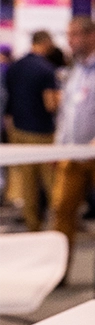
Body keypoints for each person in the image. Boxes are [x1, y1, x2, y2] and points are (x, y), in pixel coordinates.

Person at [48, 16, 95, 251]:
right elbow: (66, 113)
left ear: (92, 36)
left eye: (75, 35)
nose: (69, 41)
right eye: (68, 36)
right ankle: (58, 269)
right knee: (61, 210)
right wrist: (58, 147)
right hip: (71, 153)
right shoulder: (74, 70)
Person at [3, 31, 61, 230]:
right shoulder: (46, 69)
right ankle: (58, 224)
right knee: (52, 182)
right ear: (46, 43)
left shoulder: (15, 67)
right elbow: (50, 105)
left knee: (28, 183)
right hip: (42, 132)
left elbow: (8, 100)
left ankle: (33, 224)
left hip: (18, 129)